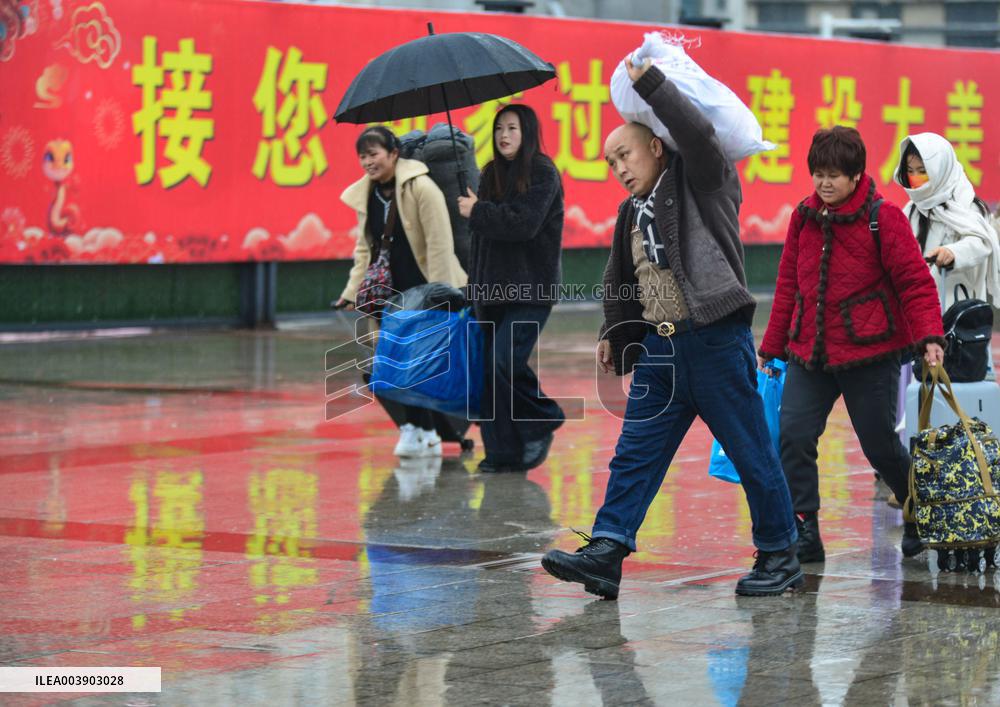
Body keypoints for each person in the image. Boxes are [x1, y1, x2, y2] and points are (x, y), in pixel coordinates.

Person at [540, 57, 801, 600]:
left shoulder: (703, 181)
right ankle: (607, 551)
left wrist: (651, 86)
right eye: (611, 162)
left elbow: (699, 136)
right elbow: (623, 276)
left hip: (713, 343)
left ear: (656, 146)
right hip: (660, 353)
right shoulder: (630, 209)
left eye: (626, 155)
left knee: (751, 452)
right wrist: (616, 332)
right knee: (634, 453)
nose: (620, 168)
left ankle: (780, 554)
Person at [758, 126, 945, 565]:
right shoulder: (803, 217)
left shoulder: (885, 217)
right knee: (794, 437)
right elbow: (788, 285)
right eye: (818, 174)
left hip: (871, 352)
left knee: (880, 446)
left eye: (834, 176)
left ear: (857, 174)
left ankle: (916, 513)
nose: (825, 184)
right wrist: (773, 346)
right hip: (811, 352)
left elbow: (915, 283)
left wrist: (929, 337)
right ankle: (806, 532)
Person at [334, 126, 467, 458]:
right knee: (388, 364)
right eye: (362, 156)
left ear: (394, 153)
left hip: (422, 291)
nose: (367, 162)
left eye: (374, 154)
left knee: (418, 364)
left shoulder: (422, 188)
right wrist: (352, 291)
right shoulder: (366, 194)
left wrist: (440, 296)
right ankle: (413, 428)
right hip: (386, 294)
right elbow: (365, 249)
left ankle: (426, 432)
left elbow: (440, 243)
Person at [457, 104, 565, 473]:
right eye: (499, 128)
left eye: (512, 128)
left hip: (530, 290)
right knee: (488, 371)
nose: (504, 135)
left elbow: (525, 224)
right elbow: (483, 242)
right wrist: (474, 289)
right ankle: (502, 452)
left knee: (505, 360)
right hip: (490, 292)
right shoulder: (490, 174)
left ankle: (542, 421)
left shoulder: (543, 172)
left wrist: (479, 212)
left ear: (528, 132)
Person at [895, 133, 1000, 379]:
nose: (915, 178)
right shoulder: (910, 210)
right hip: (916, 315)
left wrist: (952, 253)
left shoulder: (967, 206)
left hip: (956, 316)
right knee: (914, 391)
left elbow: (981, 242)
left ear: (940, 169)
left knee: (959, 386)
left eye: (923, 170)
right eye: (910, 171)